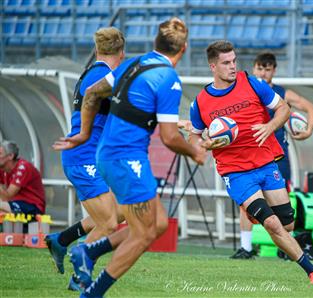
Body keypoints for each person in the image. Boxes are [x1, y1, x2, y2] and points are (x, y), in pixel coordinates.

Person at [54, 18, 206, 297]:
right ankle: (92, 291)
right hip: (127, 160)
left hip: (110, 156)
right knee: (144, 233)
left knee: (158, 224)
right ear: (183, 49)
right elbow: (170, 138)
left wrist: (83, 134)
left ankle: (89, 251)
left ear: (154, 44)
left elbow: (92, 92)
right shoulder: (169, 78)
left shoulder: (133, 64)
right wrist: (196, 150)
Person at [189, 40, 313, 284]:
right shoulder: (200, 102)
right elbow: (195, 139)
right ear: (213, 66)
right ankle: (312, 271)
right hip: (236, 173)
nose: (232, 66)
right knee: (272, 224)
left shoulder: (252, 83)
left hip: (265, 163)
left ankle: (254, 212)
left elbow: (283, 108)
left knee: (287, 224)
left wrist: (270, 126)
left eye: (234, 61)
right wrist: (206, 145)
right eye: (226, 63)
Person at [45, 27, 126, 290]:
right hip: (83, 157)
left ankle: (61, 240)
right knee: (110, 222)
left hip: (88, 156)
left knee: (123, 211)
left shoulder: (94, 72)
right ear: (121, 52)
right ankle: (79, 275)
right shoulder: (103, 76)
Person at [230, 51, 313, 259]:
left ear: (274, 71)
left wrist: (308, 130)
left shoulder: (281, 94)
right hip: (249, 157)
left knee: (283, 208)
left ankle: (286, 248)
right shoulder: (245, 92)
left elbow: (310, 108)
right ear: (253, 68)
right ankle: (246, 248)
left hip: (277, 159)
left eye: (267, 69)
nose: (263, 72)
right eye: (259, 68)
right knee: (246, 204)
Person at [0, 140, 45, 216]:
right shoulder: (3, 169)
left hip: (33, 207)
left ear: (10, 156)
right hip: (15, 204)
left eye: (0, 154)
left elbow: (7, 196)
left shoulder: (23, 167)